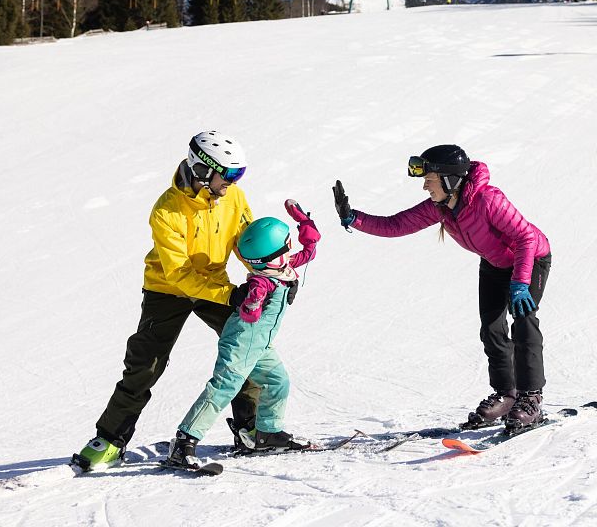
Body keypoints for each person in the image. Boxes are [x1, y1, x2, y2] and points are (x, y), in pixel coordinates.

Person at [72, 131, 256, 471]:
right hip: (167, 289)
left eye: (238, 174)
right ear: (202, 170)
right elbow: (179, 274)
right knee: (146, 363)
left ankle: (251, 430)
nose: (233, 182)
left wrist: (269, 275)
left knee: (248, 347)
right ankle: (110, 439)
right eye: (228, 174)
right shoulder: (166, 210)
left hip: (213, 283)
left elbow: (247, 244)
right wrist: (231, 294)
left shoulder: (234, 199)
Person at [333, 145, 551, 431]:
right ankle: (506, 395)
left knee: (523, 322)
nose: (425, 186)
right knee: (492, 329)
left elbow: (525, 237)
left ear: (449, 180)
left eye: (430, 180)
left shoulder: (488, 200)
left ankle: (531, 398)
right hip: (495, 264)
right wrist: (353, 218)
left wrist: (521, 283)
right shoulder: (441, 207)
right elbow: (397, 224)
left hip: (529, 258)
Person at [166, 199, 320, 469]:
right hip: (241, 342)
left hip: (261, 345)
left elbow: (309, 250)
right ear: (272, 255)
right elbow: (250, 312)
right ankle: (183, 442)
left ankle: (267, 434)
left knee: (278, 381)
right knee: (224, 388)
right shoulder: (261, 280)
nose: (291, 248)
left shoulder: (279, 267)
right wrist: (252, 302)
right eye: (286, 244)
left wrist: (304, 223)